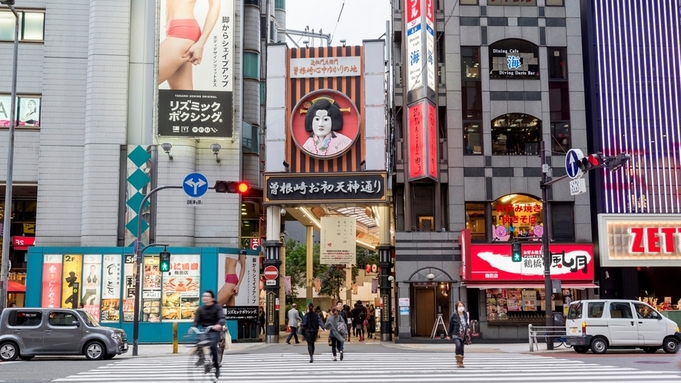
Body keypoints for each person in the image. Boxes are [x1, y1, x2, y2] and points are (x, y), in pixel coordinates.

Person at [159, 0, 220, 90]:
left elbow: (215, 4)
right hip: (175, 31)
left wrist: (201, 43)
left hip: (183, 31)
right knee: (184, 97)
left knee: (143, 79)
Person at [190, 290, 225, 379]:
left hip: (215, 330)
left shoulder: (217, 307)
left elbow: (222, 318)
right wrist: (193, 327)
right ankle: (201, 358)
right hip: (205, 331)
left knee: (213, 345)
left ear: (212, 298)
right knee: (199, 341)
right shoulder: (200, 309)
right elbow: (196, 321)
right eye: (204, 296)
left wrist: (218, 325)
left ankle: (216, 366)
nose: (205, 298)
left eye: (207, 296)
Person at [447, 301, 470, 368]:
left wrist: (468, 328)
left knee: (462, 348)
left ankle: (461, 361)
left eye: (462, 306)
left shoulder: (465, 314)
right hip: (456, 334)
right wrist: (449, 335)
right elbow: (450, 325)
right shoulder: (454, 315)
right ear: (456, 307)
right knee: (458, 345)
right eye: (459, 306)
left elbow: (466, 323)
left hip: (463, 335)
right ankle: (458, 360)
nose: (461, 307)